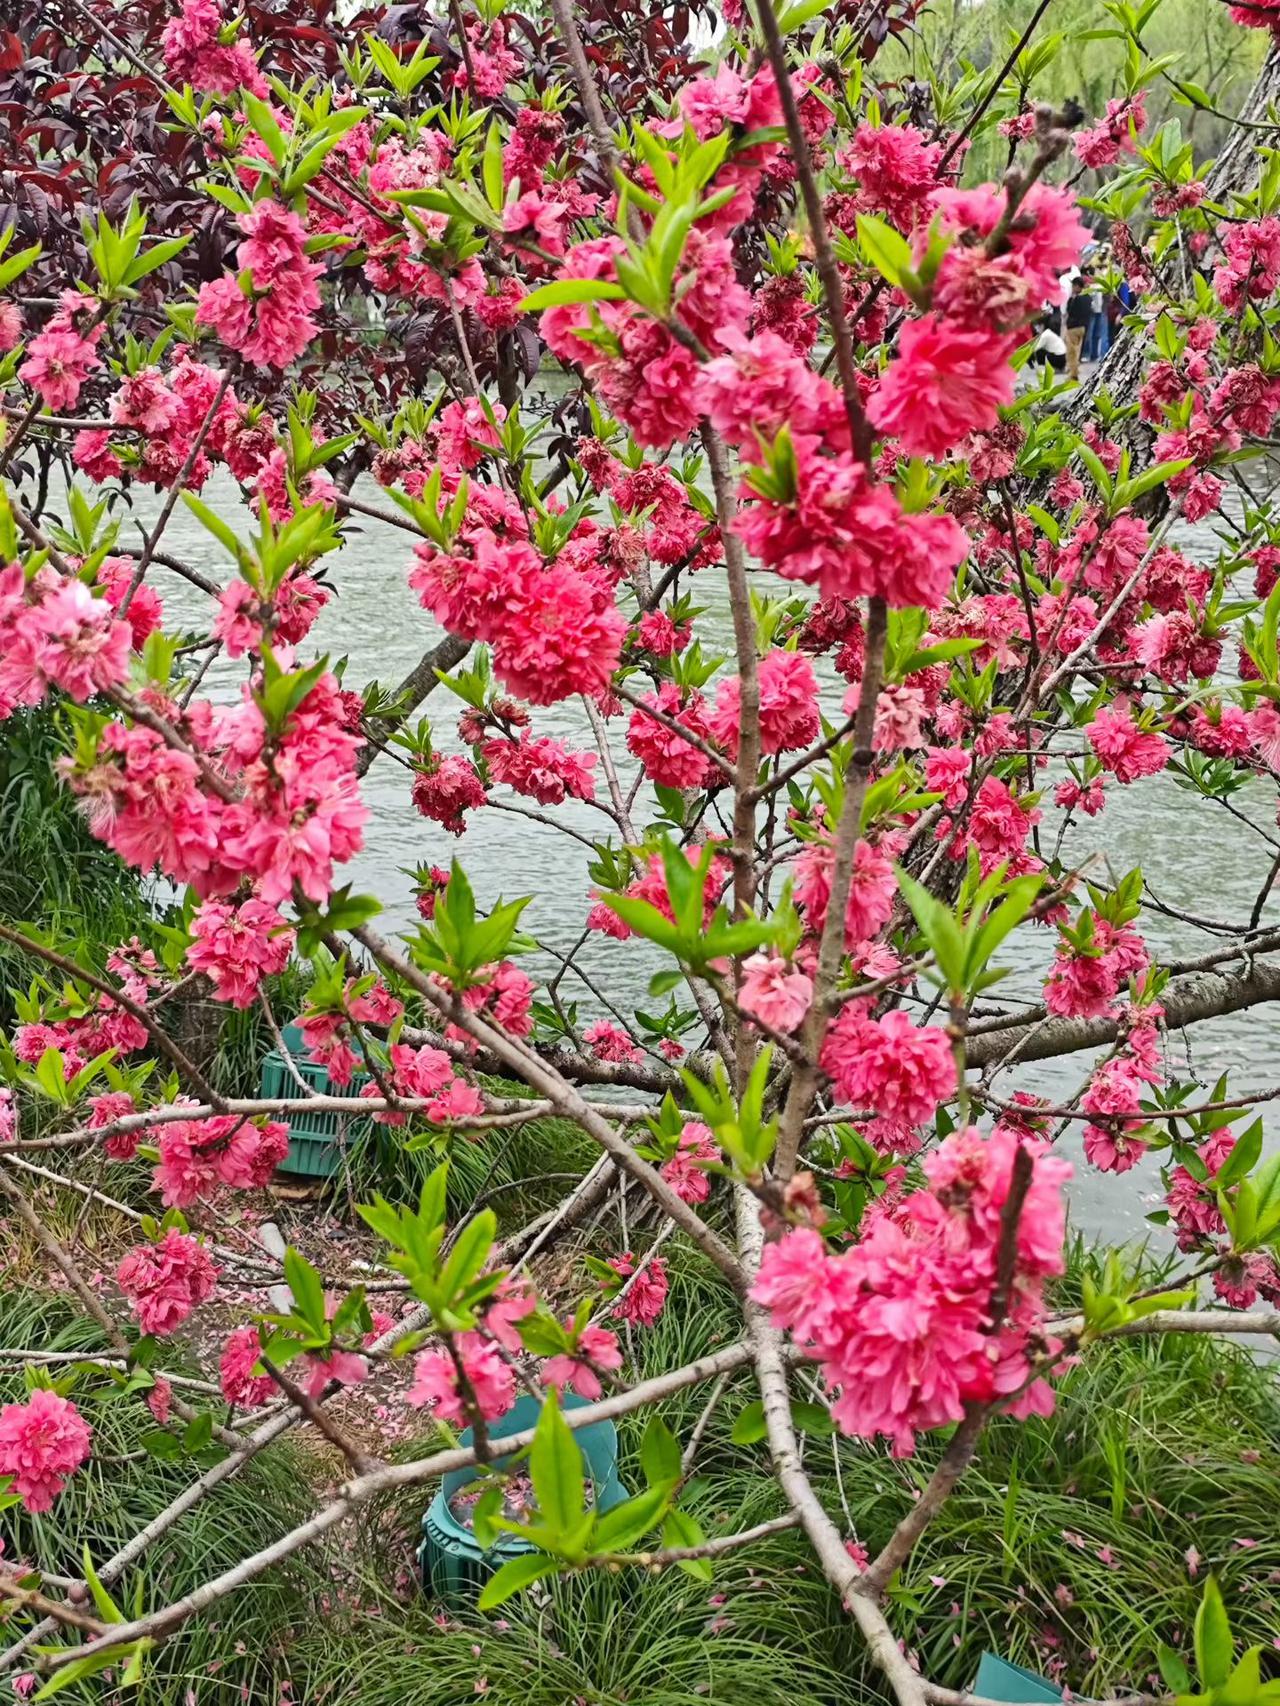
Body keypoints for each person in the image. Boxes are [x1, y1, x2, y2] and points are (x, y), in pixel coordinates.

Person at [1065, 277, 1090, 380]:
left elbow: (1070, 311)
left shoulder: (1076, 298)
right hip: (1083, 326)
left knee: (1072, 352)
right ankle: (1075, 369)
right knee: (1078, 350)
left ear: (1076, 286)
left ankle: (1073, 373)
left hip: (1073, 327)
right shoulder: (1088, 297)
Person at [1085, 275, 1110, 361]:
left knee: (1097, 334)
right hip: (1094, 312)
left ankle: (1096, 355)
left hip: (1100, 311)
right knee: (1093, 334)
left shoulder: (1099, 287)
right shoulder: (1093, 288)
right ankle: (1092, 354)